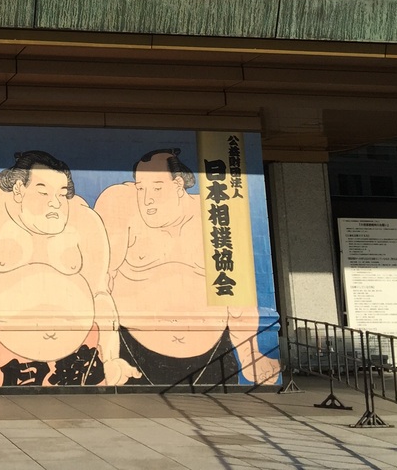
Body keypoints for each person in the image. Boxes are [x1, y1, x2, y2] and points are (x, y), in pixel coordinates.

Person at [0, 150, 136, 387]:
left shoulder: (84, 221)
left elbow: (100, 295)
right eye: (43, 192)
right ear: (19, 189)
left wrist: (111, 357)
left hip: (73, 360)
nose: (55, 203)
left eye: (61, 194)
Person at [94, 149, 281, 387]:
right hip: (134, 353)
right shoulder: (120, 207)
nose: (147, 199)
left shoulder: (214, 217)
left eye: (157, 188)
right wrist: (108, 355)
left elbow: (235, 292)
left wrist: (248, 353)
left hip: (213, 355)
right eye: (141, 188)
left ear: (178, 184)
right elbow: (101, 284)